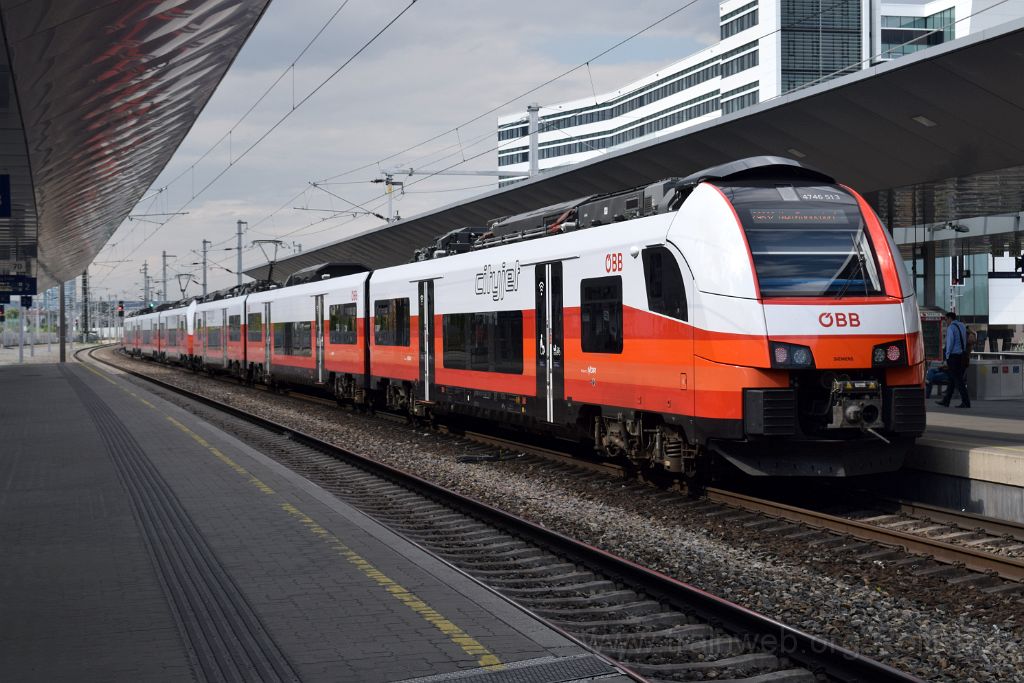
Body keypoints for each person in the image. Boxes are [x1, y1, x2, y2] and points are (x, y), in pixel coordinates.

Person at [937, 311, 970, 408]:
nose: (946, 322)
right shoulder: (962, 326)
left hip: (953, 356)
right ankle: (946, 401)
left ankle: (966, 402)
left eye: (946, 319)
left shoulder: (951, 328)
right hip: (961, 356)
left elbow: (950, 343)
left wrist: (947, 356)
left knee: (958, 380)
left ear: (950, 319)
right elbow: (964, 340)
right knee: (952, 379)